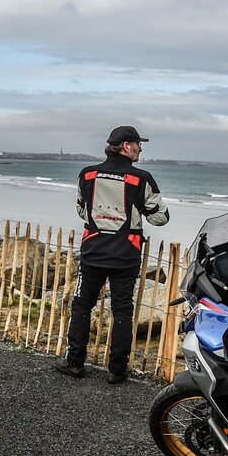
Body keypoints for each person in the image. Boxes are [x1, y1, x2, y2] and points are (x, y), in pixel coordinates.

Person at [55, 125, 169, 383]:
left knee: (82, 304)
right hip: (126, 253)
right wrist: (134, 214)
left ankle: (74, 363)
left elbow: (82, 210)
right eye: (139, 144)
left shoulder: (87, 174)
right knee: (123, 310)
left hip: (94, 250)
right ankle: (117, 370)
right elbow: (161, 217)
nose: (141, 148)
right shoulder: (141, 178)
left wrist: (103, 222)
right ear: (127, 146)